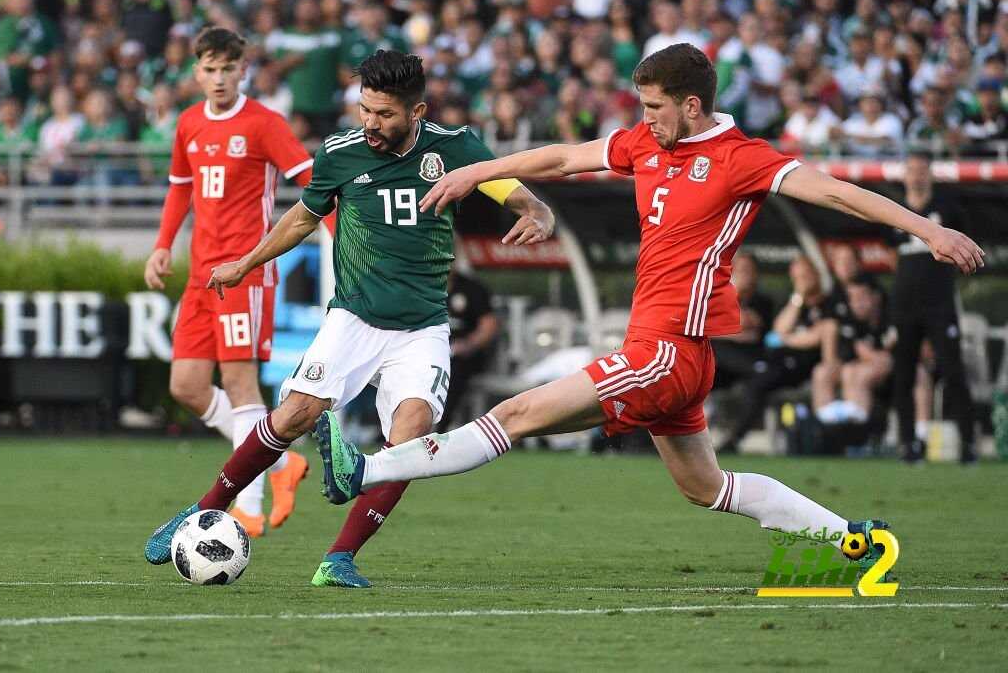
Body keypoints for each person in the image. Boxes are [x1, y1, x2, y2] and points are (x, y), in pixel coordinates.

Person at [315, 44, 983, 578]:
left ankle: (366, 469)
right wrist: (475, 172)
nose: (646, 117)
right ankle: (855, 541)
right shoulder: (645, 143)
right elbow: (564, 156)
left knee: (514, 415)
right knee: (706, 488)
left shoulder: (740, 158)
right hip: (666, 354)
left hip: (668, 351)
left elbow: (837, 193)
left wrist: (928, 229)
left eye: (655, 106)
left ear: (692, 105)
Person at [144, 50, 556, 588]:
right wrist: (246, 263)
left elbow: (509, 186)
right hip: (354, 317)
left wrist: (537, 210)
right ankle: (203, 509)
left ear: (416, 112)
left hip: (423, 327)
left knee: (412, 437)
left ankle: (339, 558)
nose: (371, 123)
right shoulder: (341, 152)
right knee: (295, 414)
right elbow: (302, 218)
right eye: (364, 110)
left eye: (384, 114)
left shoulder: (455, 148)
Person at [143, 27, 315, 538]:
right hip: (201, 275)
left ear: (243, 70)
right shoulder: (189, 123)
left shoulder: (264, 123)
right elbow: (180, 189)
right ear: (197, 72)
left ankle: (248, 505)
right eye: (210, 69)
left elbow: (313, 182)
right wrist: (162, 245)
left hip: (244, 272)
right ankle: (281, 463)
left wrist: (341, 236)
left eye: (227, 69)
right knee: (187, 385)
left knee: (240, 384)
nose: (218, 79)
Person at [890, 152, 977, 464]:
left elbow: (965, 243)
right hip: (904, 307)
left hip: (939, 305)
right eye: (911, 170)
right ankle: (908, 444)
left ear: (930, 174)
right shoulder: (895, 211)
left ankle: (968, 443)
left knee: (953, 372)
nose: (916, 176)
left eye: (921, 170)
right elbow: (892, 254)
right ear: (904, 175)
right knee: (903, 375)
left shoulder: (947, 208)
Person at [718, 255, 830, 454]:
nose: (802, 282)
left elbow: (798, 334)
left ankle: (733, 441)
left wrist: (787, 337)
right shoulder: (791, 301)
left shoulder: (768, 302)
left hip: (792, 367)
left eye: (805, 276)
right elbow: (779, 330)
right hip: (740, 363)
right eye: (798, 278)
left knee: (757, 381)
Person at [812, 273, 894, 426]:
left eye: (861, 297)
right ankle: (824, 426)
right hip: (855, 366)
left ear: (876, 297)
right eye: (852, 298)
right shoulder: (847, 320)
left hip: (889, 373)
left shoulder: (891, 317)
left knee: (853, 371)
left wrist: (873, 356)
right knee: (822, 371)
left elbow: (889, 356)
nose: (857, 303)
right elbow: (855, 352)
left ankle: (856, 427)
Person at [439, 267, 500, 431]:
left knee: (454, 370)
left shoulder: (472, 288)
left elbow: (489, 326)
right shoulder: (422, 287)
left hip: (465, 355)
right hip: (431, 351)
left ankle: (439, 426)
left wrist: (468, 344)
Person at [711, 251, 773, 390]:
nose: (745, 275)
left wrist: (721, 331)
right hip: (720, 360)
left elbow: (752, 329)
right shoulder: (716, 298)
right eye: (740, 270)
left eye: (749, 270)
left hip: (751, 355)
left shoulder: (763, 301)